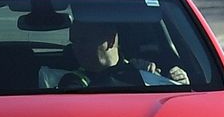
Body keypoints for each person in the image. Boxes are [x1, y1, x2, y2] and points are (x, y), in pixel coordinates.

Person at [44, 20, 189, 89]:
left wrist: (177, 84)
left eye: (84, 40)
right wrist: (136, 76)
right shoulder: (73, 79)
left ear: (111, 40)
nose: (76, 48)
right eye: (74, 41)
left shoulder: (146, 72)